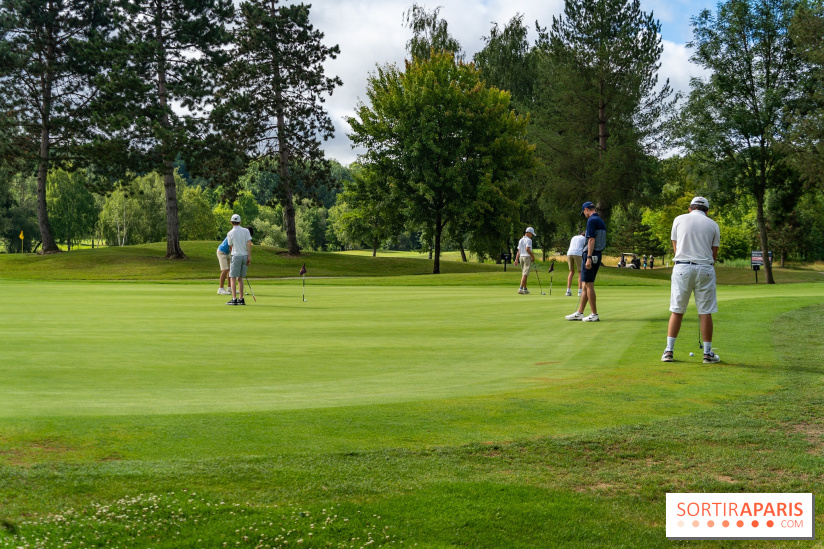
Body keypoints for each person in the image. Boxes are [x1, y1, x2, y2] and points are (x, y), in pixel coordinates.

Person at [661, 197, 721, 363]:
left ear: (690, 208)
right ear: (706, 211)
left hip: (682, 268)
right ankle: (708, 354)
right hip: (705, 268)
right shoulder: (713, 225)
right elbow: (713, 254)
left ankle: (669, 351)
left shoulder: (678, 220)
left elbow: (676, 247)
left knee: (677, 310)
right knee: (705, 311)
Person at [566, 201, 606, 322]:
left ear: (586, 210)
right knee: (585, 284)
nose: (584, 215)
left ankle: (594, 314)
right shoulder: (600, 221)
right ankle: (579, 312)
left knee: (588, 285)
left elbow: (591, 240)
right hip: (597, 254)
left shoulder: (591, 221)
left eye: (583, 212)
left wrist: (588, 257)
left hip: (591, 255)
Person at [226, 214, 252, 306]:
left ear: (231, 222)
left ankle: (234, 299)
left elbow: (230, 246)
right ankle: (241, 299)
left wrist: (232, 254)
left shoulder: (230, 233)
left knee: (232, 277)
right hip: (244, 256)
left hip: (236, 256)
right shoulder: (246, 231)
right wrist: (249, 257)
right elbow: (249, 244)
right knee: (240, 278)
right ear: (240, 222)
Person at [514, 227, 536, 294]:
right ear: (528, 233)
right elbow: (527, 249)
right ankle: (520, 288)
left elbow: (518, 251)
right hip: (526, 257)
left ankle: (525, 288)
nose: (532, 235)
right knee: (525, 274)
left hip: (521, 257)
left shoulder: (521, 240)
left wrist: (516, 259)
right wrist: (532, 256)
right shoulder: (529, 240)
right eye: (531, 234)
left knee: (524, 273)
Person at [566, 232, 586, 297]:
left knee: (571, 271)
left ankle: (568, 291)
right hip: (578, 254)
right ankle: (580, 292)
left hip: (569, 253)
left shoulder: (574, 237)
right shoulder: (585, 239)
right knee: (580, 272)